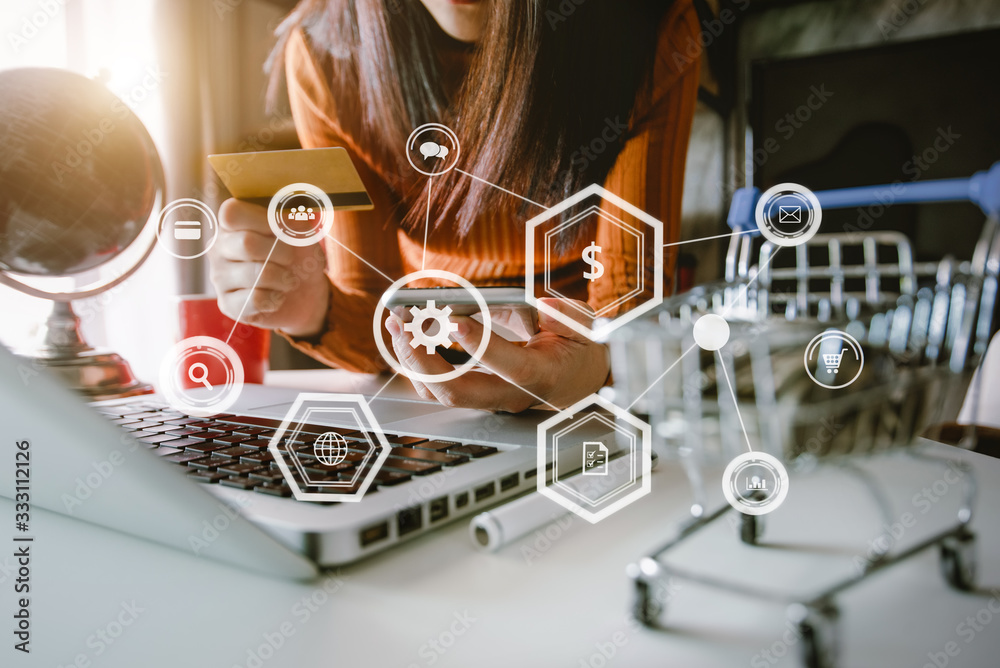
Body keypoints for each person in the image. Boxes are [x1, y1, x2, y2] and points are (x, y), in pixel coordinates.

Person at [209, 0, 701, 412]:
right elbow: (374, 315)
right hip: (426, 381)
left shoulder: (649, 28)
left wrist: (599, 361)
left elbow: (630, 312)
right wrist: (313, 311)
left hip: (594, 388)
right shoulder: (328, 54)